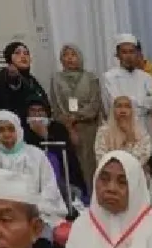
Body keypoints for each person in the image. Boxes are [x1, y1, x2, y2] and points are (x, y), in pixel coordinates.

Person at [0, 111, 68, 228]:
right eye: (0, 130)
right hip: (0, 215)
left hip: (37, 213)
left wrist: (30, 209)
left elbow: (49, 189)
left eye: (11, 129)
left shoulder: (36, 155)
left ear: (18, 129)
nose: (6, 134)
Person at [50, 44, 101, 191]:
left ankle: (92, 196)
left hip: (89, 129)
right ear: (61, 59)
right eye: (66, 55)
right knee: (71, 166)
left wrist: (77, 116)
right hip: (65, 128)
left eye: (73, 54)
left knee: (90, 165)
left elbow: (95, 103)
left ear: (80, 57)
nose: (70, 58)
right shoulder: (56, 79)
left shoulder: (91, 77)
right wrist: (68, 124)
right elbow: (56, 104)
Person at [103, 34, 152, 147]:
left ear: (137, 54)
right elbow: (114, 104)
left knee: (148, 156)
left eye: (132, 52)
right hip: (121, 128)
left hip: (145, 126)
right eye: (124, 52)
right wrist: (143, 102)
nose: (129, 56)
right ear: (118, 55)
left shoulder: (146, 77)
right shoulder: (109, 77)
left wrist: (130, 102)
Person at [22, 96, 86, 200]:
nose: (37, 114)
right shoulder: (22, 131)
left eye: (40, 110)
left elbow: (66, 156)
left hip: (62, 179)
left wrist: (45, 136)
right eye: (33, 111)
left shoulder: (58, 128)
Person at [95, 96, 152, 186]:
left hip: (136, 176)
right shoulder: (103, 132)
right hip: (110, 178)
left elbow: (143, 156)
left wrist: (130, 138)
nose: (123, 111)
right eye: (119, 106)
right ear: (113, 110)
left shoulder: (141, 132)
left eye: (127, 106)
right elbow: (101, 157)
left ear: (132, 111)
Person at [0, 42, 47, 121]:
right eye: (17, 53)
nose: (23, 56)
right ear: (9, 58)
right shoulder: (5, 74)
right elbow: (13, 83)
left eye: (26, 53)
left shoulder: (32, 79)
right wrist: (12, 78)